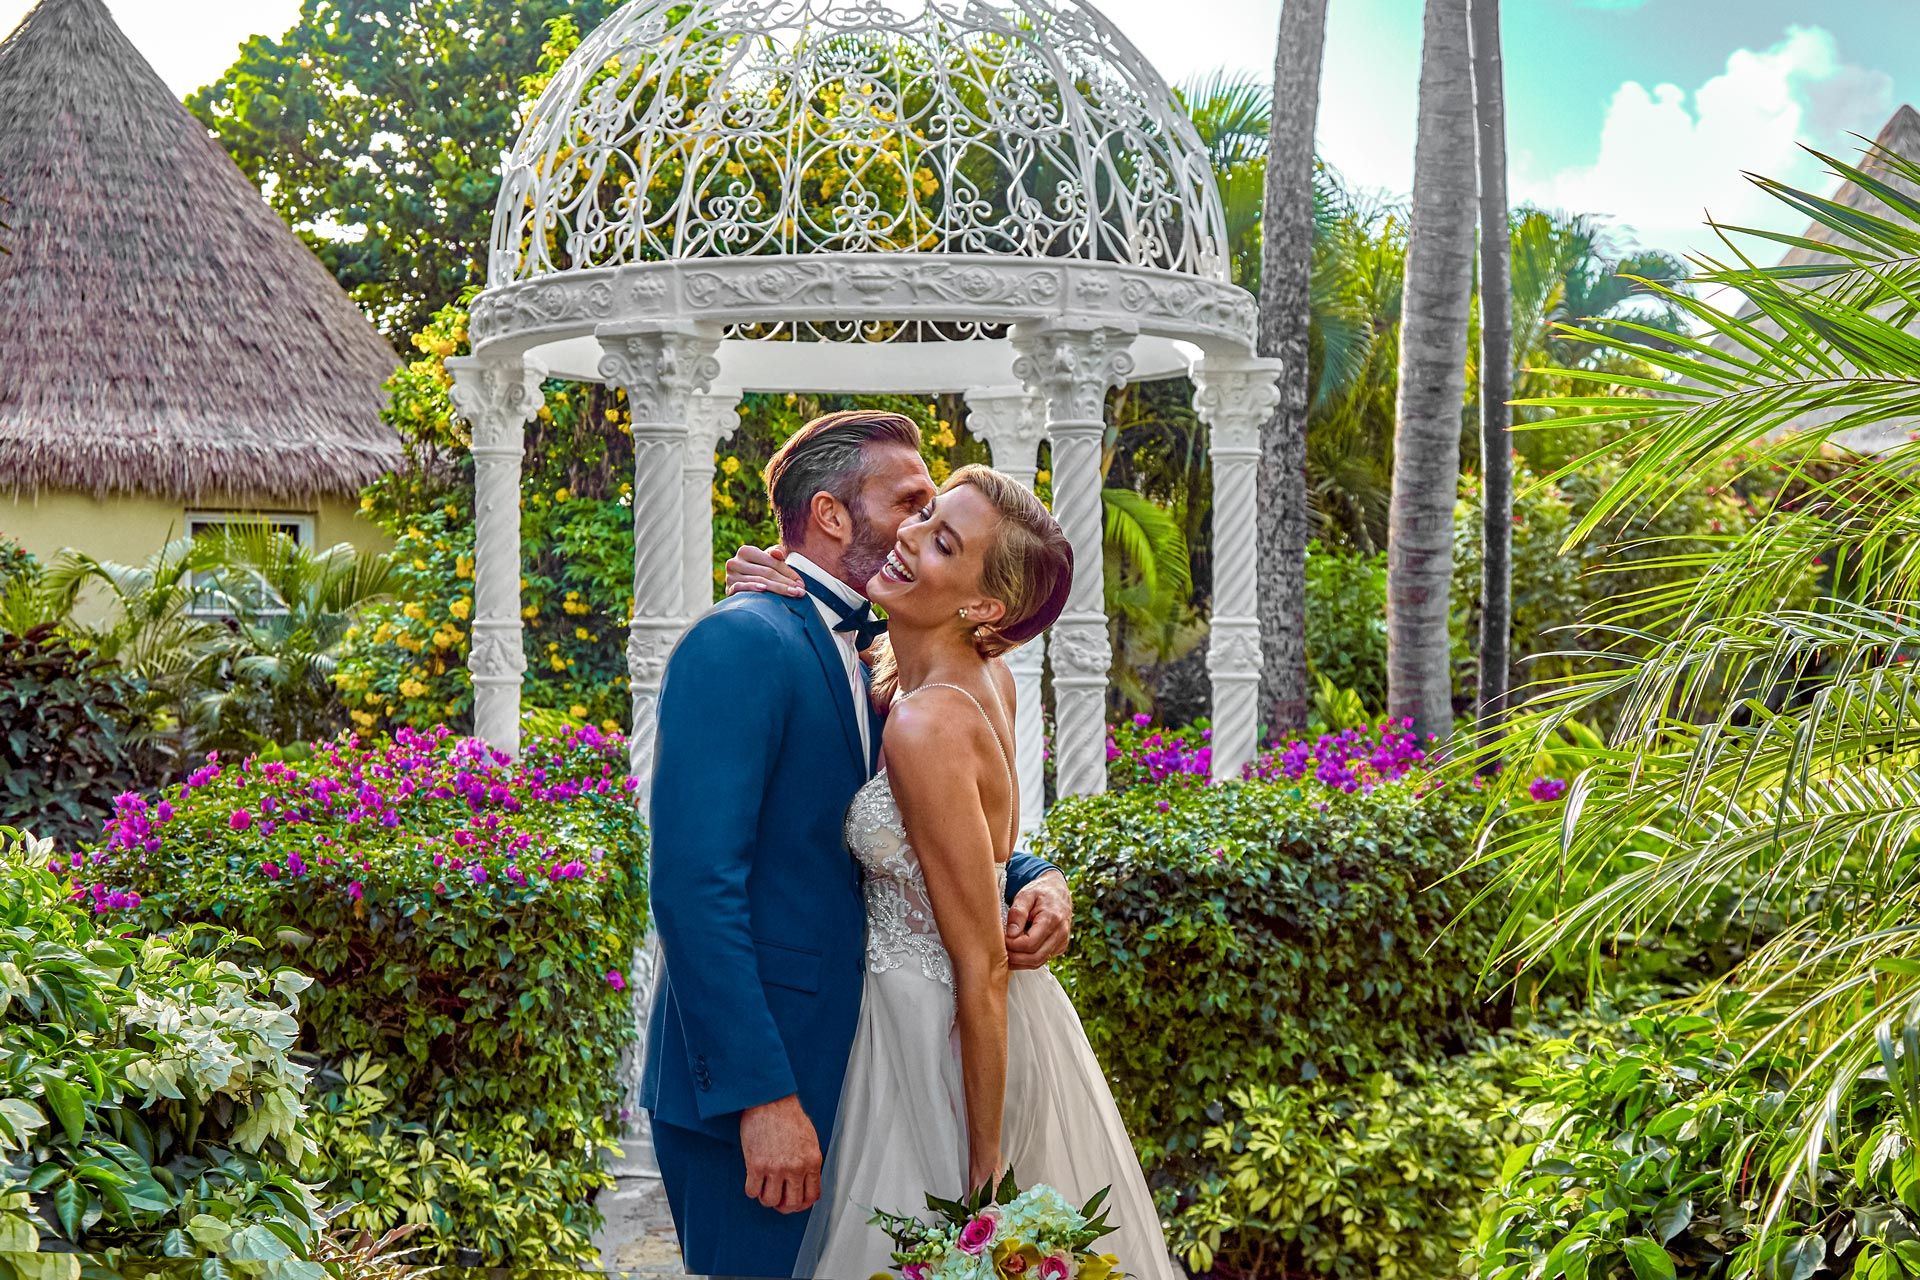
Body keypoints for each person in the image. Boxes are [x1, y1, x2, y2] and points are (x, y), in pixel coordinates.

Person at [642, 410, 1075, 1280]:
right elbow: (695, 891)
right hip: (760, 1093)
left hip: (875, 1073)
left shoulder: (897, 658)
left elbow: (925, 824)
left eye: (934, 517)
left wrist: (1035, 876)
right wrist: (762, 1097)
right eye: (912, 501)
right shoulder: (741, 641)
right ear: (835, 517)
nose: (919, 524)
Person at [731, 466, 1178, 1280]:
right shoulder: (973, 676)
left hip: (935, 1044)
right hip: (959, 1025)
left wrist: (985, 1180)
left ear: (983, 608)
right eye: (928, 514)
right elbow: (991, 850)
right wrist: (779, 575)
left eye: (943, 542)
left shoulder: (926, 722)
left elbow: (981, 965)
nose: (908, 534)